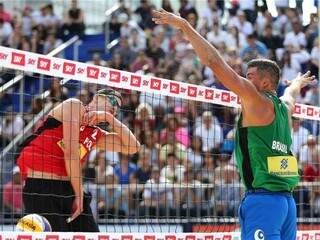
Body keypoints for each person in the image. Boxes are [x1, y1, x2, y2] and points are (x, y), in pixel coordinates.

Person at [152, 9, 316, 240]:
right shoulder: (284, 108)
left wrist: (185, 27)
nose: (245, 79)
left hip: (264, 201)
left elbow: (214, 62)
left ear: (266, 82)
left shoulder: (255, 98)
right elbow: (291, 92)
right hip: (287, 203)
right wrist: (298, 82)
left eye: (249, 75)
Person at [17, 88, 140, 232]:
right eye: (112, 101)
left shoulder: (96, 134)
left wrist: (109, 118)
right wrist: (79, 194)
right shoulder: (74, 105)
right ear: (96, 98)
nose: (115, 108)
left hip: (70, 188)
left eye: (117, 108)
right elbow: (70, 153)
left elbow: (133, 147)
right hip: (43, 188)